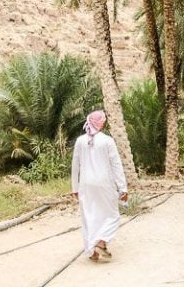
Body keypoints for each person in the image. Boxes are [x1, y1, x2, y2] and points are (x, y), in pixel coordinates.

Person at [71, 110, 129, 262]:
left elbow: (75, 166)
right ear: (101, 123)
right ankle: (101, 242)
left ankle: (92, 252)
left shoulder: (80, 140)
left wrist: (74, 188)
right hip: (104, 184)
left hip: (85, 184)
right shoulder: (107, 141)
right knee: (112, 216)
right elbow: (116, 165)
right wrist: (123, 188)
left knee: (89, 216)